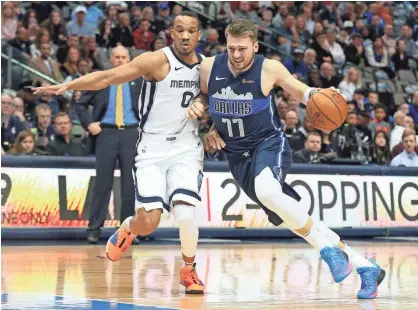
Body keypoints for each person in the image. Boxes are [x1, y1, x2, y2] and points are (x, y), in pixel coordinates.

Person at [186, 19, 385, 300]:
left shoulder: (269, 69)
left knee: (269, 192)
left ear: (255, 46)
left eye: (243, 49)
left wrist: (324, 94)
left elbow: (304, 92)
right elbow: (207, 96)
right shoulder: (209, 67)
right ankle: (366, 266)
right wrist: (207, 118)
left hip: (268, 144)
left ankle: (328, 252)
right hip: (236, 155)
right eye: (232, 48)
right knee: (289, 215)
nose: (237, 55)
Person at [33, 11, 205, 295]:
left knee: (186, 214)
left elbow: (218, 93)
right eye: (180, 30)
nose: (185, 35)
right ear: (171, 33)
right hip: (152, 146)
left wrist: (205, 107)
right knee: (149, 222)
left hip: (186, 147)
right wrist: (68, 85)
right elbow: (108, 77)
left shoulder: (207, 67)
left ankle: (189, 270)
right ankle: (129, 227)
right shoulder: (156, 61)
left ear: (199, 35)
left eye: (192, 30)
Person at [75, 46, 141, 244]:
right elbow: (80, 104)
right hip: (106, 133)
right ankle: (94, 229)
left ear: (129, 59)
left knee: (130, 186)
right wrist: (89, 124)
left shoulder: (138, 80)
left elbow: (151, 105)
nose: (120, 60)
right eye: (116, 57)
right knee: (102, 184)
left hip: (131, 133)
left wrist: (143, 125)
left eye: (123, 57)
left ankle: (127, 231)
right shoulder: (101, 79)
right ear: (111, 59)